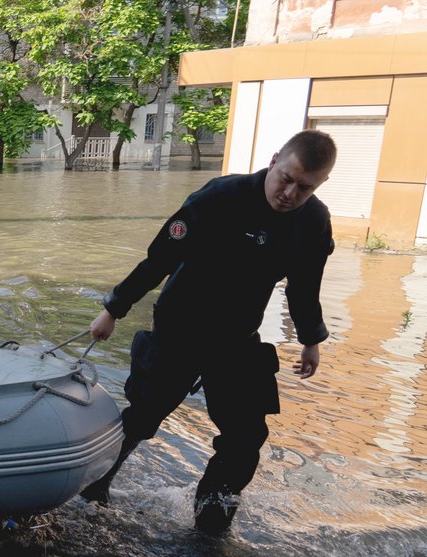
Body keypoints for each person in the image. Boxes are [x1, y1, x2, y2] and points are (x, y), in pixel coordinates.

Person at [78, 129, 337, 536]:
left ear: (319, 185)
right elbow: (159, 258)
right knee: (143, 417)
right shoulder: (221, 197)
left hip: (235, 340)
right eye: (285, 177)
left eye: (304, 187)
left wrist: (310, 340)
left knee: (246, 435)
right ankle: (92, 488)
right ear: (273, 161)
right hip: (181, 325)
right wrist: (114, 308)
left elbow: (306, 286)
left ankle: (211, 524)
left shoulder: (313, 222)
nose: (290, 192)